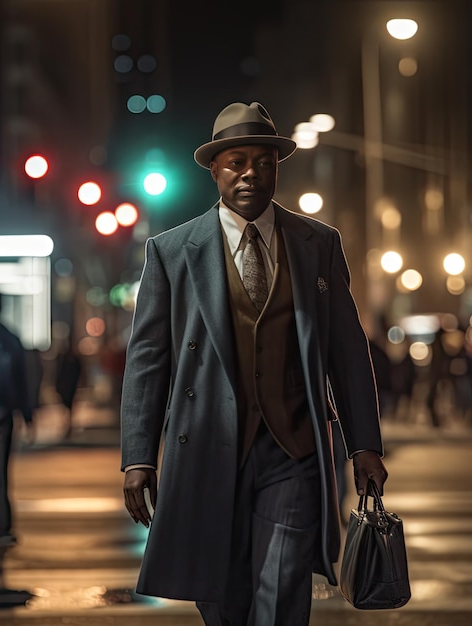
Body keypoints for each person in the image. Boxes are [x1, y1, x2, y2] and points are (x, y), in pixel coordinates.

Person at [120, 101, 388, 625]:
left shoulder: (318, 244)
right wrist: (138, 456)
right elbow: (148, 360)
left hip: (294, 451)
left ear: (277, 167)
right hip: (204, 448)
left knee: (284, 586)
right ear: (214, 169)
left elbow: (347, 354)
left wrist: (364, 445)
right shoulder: (172, 252)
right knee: (222, 600)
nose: (250, 173)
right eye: (236, 161)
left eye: (263, 161)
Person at [0, 288, 34, 547]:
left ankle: (1, 529)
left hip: (2, 415)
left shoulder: (11, 340)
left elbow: (22, 381)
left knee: (1, 475)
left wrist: (27, 414)